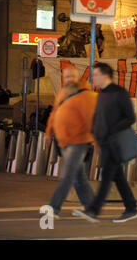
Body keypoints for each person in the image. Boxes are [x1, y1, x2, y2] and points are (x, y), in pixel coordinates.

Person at [75, 63, 137, 223]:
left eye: (95, 74)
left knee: (106, 177)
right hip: (104, 143)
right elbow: (98, 118)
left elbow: (130, 117)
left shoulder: (119, 93)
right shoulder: (101, 94)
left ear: (105, 75)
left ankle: (93, 211)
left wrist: (112, 130)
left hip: (115, 143)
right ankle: (131, 208)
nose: (93, 78)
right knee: (117, 177)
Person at [46, 66, 96, 218]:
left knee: (68, 175)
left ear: (78, 77)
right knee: (78, 176)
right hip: (64, 141)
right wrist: (49, 132)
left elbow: (91, 119)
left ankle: (54, 207)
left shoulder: (87, 95)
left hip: (79, 141)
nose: (70, 80)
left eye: (72, 77)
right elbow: (55, 112)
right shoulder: (62, 92)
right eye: (67, 77)